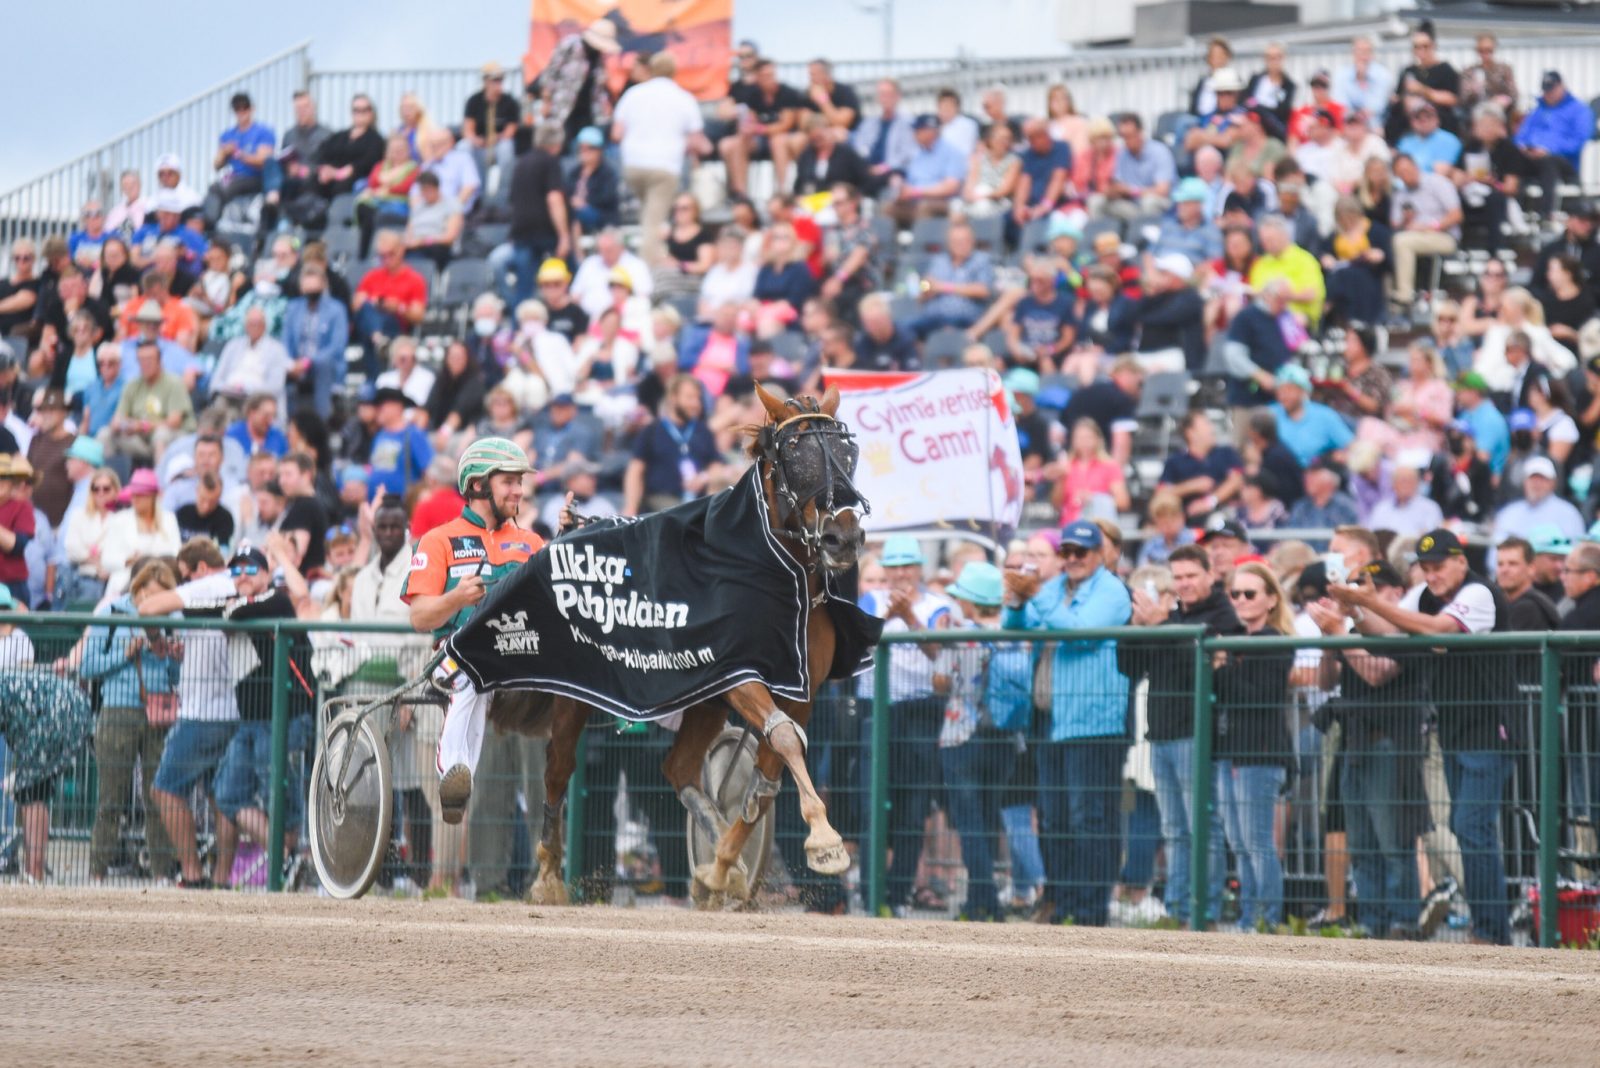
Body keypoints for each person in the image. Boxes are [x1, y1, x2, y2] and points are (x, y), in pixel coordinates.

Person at [1327, 528, 1513, 944]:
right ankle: (1488, 929)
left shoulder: (1479, 593)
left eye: (1439, 566)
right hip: (1456, 729)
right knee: (1468, 830)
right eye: (1425, 568)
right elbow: (1390, 634)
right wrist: (1355, 611)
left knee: (1471, 828)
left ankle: (1491, 932)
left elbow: (1436, 629)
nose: (1432, 575)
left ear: (1461, 562)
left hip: (1490, 729)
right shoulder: (1427, 596)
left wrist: (1370, 602)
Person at [402, 438, 542, 823]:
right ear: (479, 485)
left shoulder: (531, 543)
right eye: (509, 482)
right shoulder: (438, 540)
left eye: (520, 482)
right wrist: (457, 598)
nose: (519, 490)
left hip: (522, 659)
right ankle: (454, 775)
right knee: (472, 674)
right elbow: (419, 617)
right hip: (458, 656)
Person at [1002, 520, 1132, 926]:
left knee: (1088, 817)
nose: (1073, 559)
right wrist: (1019, 602)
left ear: (1098, 555)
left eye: (1082, 552)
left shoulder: (1111, 590)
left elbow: (1079, 633)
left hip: (1094, 721)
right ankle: (1064, 902)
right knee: (1055, 816)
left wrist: (1035, 595)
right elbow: (1014, 627)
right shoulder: (1056, 588)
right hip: (1052, 718)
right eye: (1068, 552)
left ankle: (1092, 910)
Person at [79, 559, 181, 882]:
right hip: (117, 712)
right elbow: (87, 667)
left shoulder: (173, 618)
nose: (153, 603)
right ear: (137, 590)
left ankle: (162, 873)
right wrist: (123, 654)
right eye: (149, 596)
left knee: (159, 797)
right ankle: (97, 871)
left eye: (160, 597)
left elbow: (176, 675)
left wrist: (174, 658)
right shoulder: (112, 613)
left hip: (159, 714)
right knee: (112, 797)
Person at [1212, 561, 1294, 931]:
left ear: (1271, 600)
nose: (1241, 600)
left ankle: (1267, 920)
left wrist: (1223, 668)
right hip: (1233, 752)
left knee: (1257, 842)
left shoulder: (1273, 642)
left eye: (1250, 593)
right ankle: (1251, 918)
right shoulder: (1236, 640)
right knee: (1241, 843)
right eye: (1235, 594)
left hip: (1260, 754)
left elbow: (1260, 697)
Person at [612, 51, 707, 267]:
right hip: (664, 167)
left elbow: (617, 134)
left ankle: (653, 257)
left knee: (649, 217)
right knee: (652, 224)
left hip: (633, 166)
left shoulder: (632, 94)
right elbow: (697, 141)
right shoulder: (684, 98)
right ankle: (647, 273)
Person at [624, 375, 721, 514]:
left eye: (697, 398)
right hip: (660, 502)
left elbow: (716, 464)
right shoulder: (652, 430)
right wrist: (631, 507)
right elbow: (635, 470)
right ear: (673, 398)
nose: (695, 404)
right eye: (689, 397)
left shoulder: (703, 431)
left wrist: (703, 478)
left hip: (698, 501)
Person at [504, 123, 571, 309]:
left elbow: (512, 201)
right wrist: (564, 236)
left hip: (521, 233)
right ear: (557, 144)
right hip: (545, 234)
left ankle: (520, 330)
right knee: (565, 278)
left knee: (524, 290)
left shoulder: (521, 163)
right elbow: (554, 199)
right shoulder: (551, 162)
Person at [1389, 152, 1463, 313]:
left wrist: (1431, 226)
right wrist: (1405, 220)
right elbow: (1395, 225)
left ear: (1415, 166)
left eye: (1408, 170)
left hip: (1444, 236)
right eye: (1401, 173)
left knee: (1402, 241)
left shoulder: (1438, 183)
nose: (1406, 175)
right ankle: (1401, 295)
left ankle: (1404, 295)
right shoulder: (1400, 194)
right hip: (1414, 237)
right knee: (1397, 240)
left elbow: (1457, 215)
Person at [102, 339, 194, 467]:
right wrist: (124, 425)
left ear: (159, 361)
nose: (145, 364)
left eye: (150, 359)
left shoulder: (174, 383)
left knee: (161, 434)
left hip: (175, 438)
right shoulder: (132, 385)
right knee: (105, 434)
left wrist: (142, 426)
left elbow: (174, 421)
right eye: (141, 360)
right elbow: (116, 420)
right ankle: (107, 482)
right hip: (142, 440)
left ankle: (161, 483)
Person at [718, 58, 803, 196]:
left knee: (778, 141)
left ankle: (783, 191)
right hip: (759, 139)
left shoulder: (787, 93)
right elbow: (744, 117)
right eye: (765, 76)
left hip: (779, 137)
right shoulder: (751, 94)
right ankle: (740, 194)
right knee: (737, 142)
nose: (770, 79)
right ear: (758, 78)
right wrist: (747, 127)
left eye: (772, 75)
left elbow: (786, 124)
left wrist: (760, 129)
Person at [1515, 71, 1593, 216]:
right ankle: (1515, 212)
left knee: (1548, 162)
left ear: (1562, 87)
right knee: (1513, 161)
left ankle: (1546, 214)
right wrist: (1524, 148)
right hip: (1534, 158)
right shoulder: (1537, 110)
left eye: (1552, 89)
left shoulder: (1579, 110)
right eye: (1546, 90)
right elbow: (1520, 136)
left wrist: (1549, 150)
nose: (1548, 94)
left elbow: (1578, 141)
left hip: (1563, 162)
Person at [534, 17, 618, 150]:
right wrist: (546, 101)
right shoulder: (570, 45)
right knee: (561, 144)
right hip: (563, 107)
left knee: (585, 147)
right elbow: (550, 74)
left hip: (587, 112)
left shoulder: (599, 58)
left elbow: (597, 88)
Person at [352, 231, 427, 377]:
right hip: (369, 327)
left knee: (373, 317)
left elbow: (418, 316)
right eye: (382, 256)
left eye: (390, 254)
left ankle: (378, 342)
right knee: (367, 310)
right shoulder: (372, 276)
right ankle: (378, 339)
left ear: (401, 250)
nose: (386, 259)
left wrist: (398, 307)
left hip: (396, 326)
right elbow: (356, 305)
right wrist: (373, 301)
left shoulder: (414, 279)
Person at [910, 220, 994, 338]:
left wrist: (943, 287)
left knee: (947, 331)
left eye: (965, 241)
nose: (961, 245)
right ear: (949, 243)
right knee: (905, 330)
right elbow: (924, 285)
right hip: (932, 317)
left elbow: (983, 290)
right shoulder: (939, 261)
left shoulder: (981, 260)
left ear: (972, 241)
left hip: (963, 319)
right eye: (957, 241)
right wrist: (927, 286)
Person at [202, 93, 275, 226]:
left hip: (255, 178)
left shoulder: (264, 132)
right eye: (237, 109)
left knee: (225, 188)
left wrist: (240, 154)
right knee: (214, 188)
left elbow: (264, 161)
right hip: (233, 178)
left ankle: (211, 223)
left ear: (251, 108)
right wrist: (224, 152)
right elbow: (216, 165)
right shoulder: (228, 135)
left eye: (244, 107)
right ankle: (208, 223)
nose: (241, 112)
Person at [1271, 365, 1352, 468]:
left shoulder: (1324, 415)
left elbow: (1351, 446)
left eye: (1289, 389)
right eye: (1280, 390)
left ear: (1303, 391)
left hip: (1314, 474)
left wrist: (1342, 455)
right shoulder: (1270, 414)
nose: (1283, 395)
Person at [211, 307, 290, 412]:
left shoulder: (277, 349)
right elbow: (217, 378)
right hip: (230, 394)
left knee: (252, 409)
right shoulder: (233, 345)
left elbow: (276, 385)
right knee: (220, 405)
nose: (254, 327)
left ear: (264, 326)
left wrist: (250, 390)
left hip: (257, 398)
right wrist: (226, 388)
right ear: (245, 326)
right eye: (251, 324)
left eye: (258, 323)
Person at [1492, 455, 1584, 545]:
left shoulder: (1569, 514)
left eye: (1542, 479)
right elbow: (1494, 550)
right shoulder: (1509, 513)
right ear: (1524, 482)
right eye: (1533, 478)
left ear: (1553, 483)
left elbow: (1575, 551)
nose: (1537, 484)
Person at [894, 114, 968, 223]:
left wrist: (917, 192)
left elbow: (951, 187)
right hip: (914, 201)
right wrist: (901, 188)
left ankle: (921, 239)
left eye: (918, 130)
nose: (914, 134)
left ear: (930, 132)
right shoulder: (918, 154)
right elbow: (910, 183)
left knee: (924, 207)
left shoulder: (952, 152)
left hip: (942, 202)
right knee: (886, 207)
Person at [367, 387, 433, 502]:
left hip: (402, 508)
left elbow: (429, 471)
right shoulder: (379, 436)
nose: (377, 410)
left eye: (381, 406)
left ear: (397, 407)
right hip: (377, 505)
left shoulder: (413, 434)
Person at [463, 62, 521, 189]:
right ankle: (473, 192)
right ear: (485, 81)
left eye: (500, 79)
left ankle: (504, 192)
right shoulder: (474, 101)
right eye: (495, 79)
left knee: (506, 148)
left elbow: (511, 129)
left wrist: (496, 138)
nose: (498, 83)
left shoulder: (510, 102)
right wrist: (475, 140)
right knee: (464, 147)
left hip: (498, 144)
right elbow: (468, 129)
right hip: (480, 145)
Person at [316, 94, 387, 199]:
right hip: (331, 175)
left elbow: (370, 161)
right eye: (356, 110)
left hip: (355, 178)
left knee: (342, 186)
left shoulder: (376, 139)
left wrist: (346, 171)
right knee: (313, 182)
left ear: (371, 113)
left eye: (365, 110)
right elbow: (323, 152)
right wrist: (325, 169)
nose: (360, 113)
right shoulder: (339, 136)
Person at [403, 172, 464, 271]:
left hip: (438, 247)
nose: (424, 193)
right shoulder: (418, 207)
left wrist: (423, 241)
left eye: (427, 189)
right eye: (422, 190)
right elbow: (409, 232)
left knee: (430, 252)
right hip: (415, 246)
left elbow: (450, 237)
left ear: (436, 188)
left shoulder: (452, 205)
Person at [1395, 103, 1461, 176]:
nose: (1423, 120)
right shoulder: (1405, 141)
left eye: (1428, 116)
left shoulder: (1449, 140)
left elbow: (1440, 173)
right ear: (1411, 121)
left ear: (1437, 119)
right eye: (1418, 117)